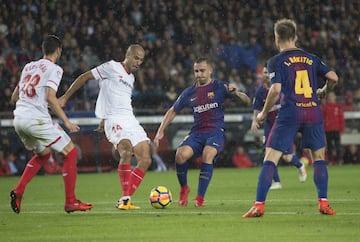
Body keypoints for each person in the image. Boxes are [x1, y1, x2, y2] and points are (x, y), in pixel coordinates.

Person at [243, 19, 338, 218]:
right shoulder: (311, 58)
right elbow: (334, 78)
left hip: (290, 112)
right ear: (295, 37)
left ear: (277, 38)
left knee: (270, 158)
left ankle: (259, 205)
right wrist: (323, 90)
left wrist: (262, 113)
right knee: (318, 158)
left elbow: (275, 90)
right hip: (312, 110)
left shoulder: (276, 61)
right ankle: (323, 203)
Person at [59, 44, 151, 210]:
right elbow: (84, 77)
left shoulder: (131, 78)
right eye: (136, 58)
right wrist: (65, 97)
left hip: (130, 119)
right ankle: (125, 200)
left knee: (145, 159)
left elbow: (111, 93)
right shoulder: (111, 66)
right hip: (114, 120)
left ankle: (126, 197)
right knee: (126, 150)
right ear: (127, 55)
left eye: (141, 60)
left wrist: (102, 115)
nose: (138, 62)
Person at [9, 35, 93, 214]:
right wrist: (66, 121)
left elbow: (14, 97)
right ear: (59, 50)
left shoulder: (28, 67)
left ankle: (19, 191)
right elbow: (50, 97)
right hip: (36, 119)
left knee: (44, 154)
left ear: (43, 50)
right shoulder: (55, 69)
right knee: (71, 152)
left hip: (19, 119)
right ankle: (70, 201)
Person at [154, 57, 251, 207]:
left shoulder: (220, 86)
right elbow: (172, 110)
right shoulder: (189, 92)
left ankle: (200, 197)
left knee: (208, 154)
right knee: (180, 155)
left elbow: (247, 101)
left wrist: (237, 93)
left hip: (215, 132)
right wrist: (161, 130)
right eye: (196, 71)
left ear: (210, 70)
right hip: (197, 133)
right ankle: (184, 188)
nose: (199, 74)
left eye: (202, 71)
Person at [251, 64, 307, 190]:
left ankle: (299, 165)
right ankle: (276, 182)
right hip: (269, 126)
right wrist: (255, 121)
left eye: (267, 72)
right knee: (267, 152)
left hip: (283, 125)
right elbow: (256, 109)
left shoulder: (281, 88)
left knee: (287, 157)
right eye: (264, 72)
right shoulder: (260, 92)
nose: (266, 75)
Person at [321, 91, 345, 165]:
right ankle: (331, 161)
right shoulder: (325, 107)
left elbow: (341, 119)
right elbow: (323, 119)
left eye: (332, 96)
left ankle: (339, 160)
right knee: (330, 146)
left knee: (338, 146)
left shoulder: (338, 107)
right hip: (328, 130)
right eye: (330, 96)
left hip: (336, 129)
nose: (331, 98)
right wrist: (323, 130)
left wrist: (341, 129)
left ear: (335, 97)